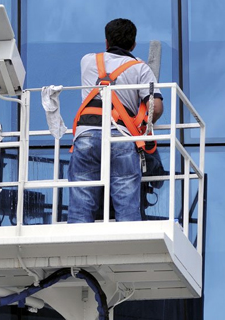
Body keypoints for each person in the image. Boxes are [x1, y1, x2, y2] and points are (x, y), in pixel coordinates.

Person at [68, 18, 164, 223]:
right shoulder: (140, 68)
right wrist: (143, 126)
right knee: (127, 206)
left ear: (106, 42)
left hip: (86, 136)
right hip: (121, 138)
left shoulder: (87, 61)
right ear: (133, 44)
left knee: (81, 206)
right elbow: (156, 107)